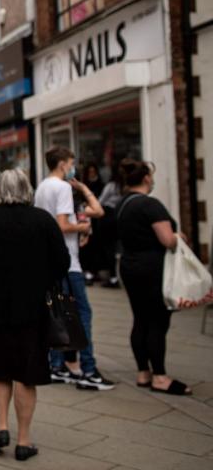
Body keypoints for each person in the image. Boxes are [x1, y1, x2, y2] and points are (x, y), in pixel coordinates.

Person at [0, 169, 70, 462]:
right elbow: (63, 262)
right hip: (32, 310)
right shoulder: (42, 220)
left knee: (0, 368)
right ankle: (24, 440)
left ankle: (1, 426)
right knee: (26, 373)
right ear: (27, 189)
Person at [34, 146, 115, 391]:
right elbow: (62, 225)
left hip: (50, 261)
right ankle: (88, 370)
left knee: (59, 313)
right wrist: (82, 228)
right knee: (81, 314)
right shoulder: (60, 188)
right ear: (62, 165)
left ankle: (57, 365)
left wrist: (82, 188)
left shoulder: (42, 187)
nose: (73, 167)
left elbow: (96, 211)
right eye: (70, 163)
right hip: (69, 262)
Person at [115, 159, 192, 395]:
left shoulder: (123, 204)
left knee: (140, 318)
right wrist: (180, 237)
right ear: (147, 178)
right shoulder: (150, 205)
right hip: (153, 268)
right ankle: (160, 376)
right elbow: (167, 240)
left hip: (129, 266)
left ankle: (143, 373)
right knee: (158, 321)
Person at [97, 165, 124, 288]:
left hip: (108, 216)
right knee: (116, 247)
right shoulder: (125, 188)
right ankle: (115, 276)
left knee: (109, 248)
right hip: (119, 217)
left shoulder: (111, 186)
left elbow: (100, 201)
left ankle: (113, 276)